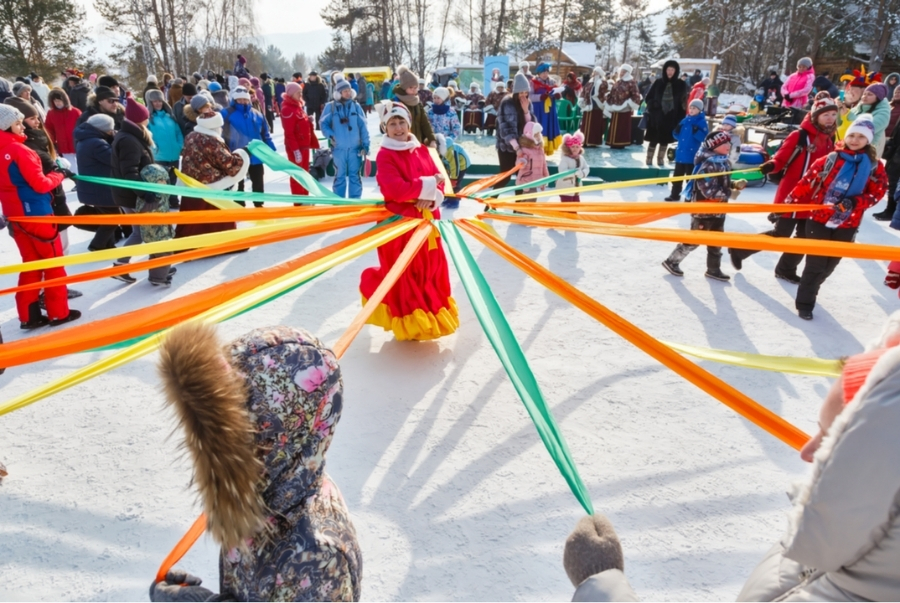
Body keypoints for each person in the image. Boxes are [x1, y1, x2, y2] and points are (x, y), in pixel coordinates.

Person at [151, 322, 362, 602]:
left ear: (279, 434)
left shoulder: (316, 555)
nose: (213, 448)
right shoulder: (267, 489)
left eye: (228, 431)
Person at [361, 102, 459, 341]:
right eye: (392, 124)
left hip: (427, 225)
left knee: (430, 272)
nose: (398, 128)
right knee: (407, 275)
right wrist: (427, 187)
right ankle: (411, 323)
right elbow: (394, 189)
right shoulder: (385, 155)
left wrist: (433, 196)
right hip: (400, 226)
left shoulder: (422, 150)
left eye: (401, 122)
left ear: (409, 123)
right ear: (385, 127)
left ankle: (429, 318)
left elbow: (441, 183)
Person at [785, 114, 887, 319]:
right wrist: (788, 203)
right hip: (818, 218)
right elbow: (807, 181)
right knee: (815, 264)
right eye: (852, 135)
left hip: (848, 222)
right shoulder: (831, 159)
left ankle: (811, 288)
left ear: (869, 140)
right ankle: (805, 303)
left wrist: (856, 202)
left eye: (861, 136)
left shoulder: (875, 166)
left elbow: (878, 192)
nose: (855, 140)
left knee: (830, 264)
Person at [729, 93, 838, 278]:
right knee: (781, 233)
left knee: (804, 238)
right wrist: (771, 165)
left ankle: (785, 270)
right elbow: (781, 157)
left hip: (814, 197)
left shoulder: (830, 139)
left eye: (833, 115)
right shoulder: (800, 135)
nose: (830, 119)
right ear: (815, 115)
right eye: (825, 115)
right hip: (792, 194)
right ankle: (740, 249)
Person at [0, 104, 81, 328]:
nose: (21, 127)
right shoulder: (21, 150)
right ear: (6, 127)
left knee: (31, 264)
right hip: (38, 215)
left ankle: (29, 315)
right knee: (53, 264)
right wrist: (59, 174)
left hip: (15, 218)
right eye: (17, 123)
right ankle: (59, 312)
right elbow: (40, 184)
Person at [661, 131, 747, 281]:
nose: (729, 145)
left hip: (719, 209)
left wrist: (734, 184)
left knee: (716, 241)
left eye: (729, 142)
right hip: (703, 210)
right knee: (694, 240)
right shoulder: (707, 164)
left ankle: (713, 269)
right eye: (725, 143)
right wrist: (729, 193)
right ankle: (672, 261)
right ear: (715, 146)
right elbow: (707, 190)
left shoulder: (724, 162)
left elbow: (722, 182)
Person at [176, 102, 249, 239]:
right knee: (218, 221)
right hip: (210, 186)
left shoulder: (191, 136)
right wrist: (242, 154)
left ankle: (189, 246)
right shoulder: (212, 140)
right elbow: (227, 163)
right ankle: (223, 243)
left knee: (193, 222)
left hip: (191, 185)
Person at [222, 86, 277, 207]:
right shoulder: (226, 113)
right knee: (238, 182)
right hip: (236, 154)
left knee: (258, 180)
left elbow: (265, 134)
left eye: (245, 99)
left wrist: (272, 150)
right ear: (234, 100)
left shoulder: (257, 114)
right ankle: (239, 204)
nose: (243, 101)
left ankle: (259, 204)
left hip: (255, 154)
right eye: (239, 99)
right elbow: (221, 134)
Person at [74, 113, 121, 251]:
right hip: (100, 189)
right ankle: (97, 245)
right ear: (104, 129)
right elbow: (113, 159)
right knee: (113, 218)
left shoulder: (85, 139)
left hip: (94, 188)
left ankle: (108, 244)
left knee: (108, 217)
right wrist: (115, 140)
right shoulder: (96, 143)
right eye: (111, 130)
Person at [321, 78, 369, 199]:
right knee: (339, 176)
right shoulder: (330, 107)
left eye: (349, 90)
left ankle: (355, 202)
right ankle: (339, 202)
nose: (348, 93)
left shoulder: (356, 106)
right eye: (345, 91)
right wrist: (331, 135)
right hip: (338, 149)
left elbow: (363, 126)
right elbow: (323, 124)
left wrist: (366, 144)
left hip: (355, 149)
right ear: (338, 93)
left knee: (355, 176)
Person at [495, 73, 537, 190]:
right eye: (521, 92)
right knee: (505, 177)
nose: (523, 95)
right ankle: (490, 203)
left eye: (526, 92)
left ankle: (517, 207)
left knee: (521, 177)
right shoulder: (507, 102)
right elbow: (506, 128)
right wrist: (516, 147)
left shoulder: (527, 103)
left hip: (523, 145)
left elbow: (531, 125)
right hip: (508, 146)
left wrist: (525, 111)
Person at [644, 59, 688, 167]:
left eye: (672, 69)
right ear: (664, 70)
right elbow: (648, 97)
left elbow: (683, 102)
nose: (670, 72)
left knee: (664, 140)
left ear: (676, 71)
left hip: (671, 116)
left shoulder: (681, 84)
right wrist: (653, 105)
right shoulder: (658, 82)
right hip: (656, 116)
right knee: (653, 139)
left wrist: (680, 119)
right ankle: (649, 158)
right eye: (668, 69)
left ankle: (660, 159)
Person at [281, 82, 320, 198]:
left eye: (301, 92)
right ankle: (299, 202)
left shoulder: (297, 106)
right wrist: (295, 150)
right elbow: (289, 133)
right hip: (297, 148)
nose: (300, 94)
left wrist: (308, 120)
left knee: (305, 174)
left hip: (304, 146)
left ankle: (305, 199)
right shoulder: (287, 109)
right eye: (298, 93)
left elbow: (299, 123)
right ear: (291, 94)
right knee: (297, 176)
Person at [666, 98, 708, 201]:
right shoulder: (685, 120)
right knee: (677, 177)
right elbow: (677, 136)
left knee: (690, 178)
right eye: (690, 108)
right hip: (680, 154)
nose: (691, 110)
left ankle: (690, 197)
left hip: (691, 155)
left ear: (699, 110)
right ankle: (674, 195)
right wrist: (675, 131)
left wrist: (696, 132)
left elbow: (704, 138)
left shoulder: (701, 122)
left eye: (694, 108)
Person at [391, 66, 435, 146]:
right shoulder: (396, 102)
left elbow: (424, 122)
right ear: (404, 87)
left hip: (418, 143)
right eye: (411, 87)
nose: (414, 90)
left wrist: (431, 138)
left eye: (415, 87)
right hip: (401, 145)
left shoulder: (417, 102)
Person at [844, 82, 891, 155]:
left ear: (878, 97)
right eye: (864, 94)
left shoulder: (883, 113)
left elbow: (864, 130)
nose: (865, 96)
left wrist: (846, 115)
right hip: (850, 147)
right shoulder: (859, 108)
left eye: (870, 94)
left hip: (867, 153)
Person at [44, 88, 81, 173]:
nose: (58, 103)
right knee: (72, 168)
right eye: (55, 101)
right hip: (63, 145)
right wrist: (51, 142)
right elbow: (49, 129)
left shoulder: (75, 112)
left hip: (77, 143)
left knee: (81, 165)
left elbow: (82, 126)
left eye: (59, 100)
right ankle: (77, 183)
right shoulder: (51, 113)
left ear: (65, 100)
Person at [529, 62, 563, 155]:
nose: (545, 74)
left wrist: (557, 95)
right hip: (538, 110)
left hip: (550, 110)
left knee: (549, 127)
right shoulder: (533, 82)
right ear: (538, 73)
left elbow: (558, 92)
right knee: (540, 127)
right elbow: (530, 96)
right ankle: (537, 148)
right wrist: (541, 96)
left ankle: (547, 148)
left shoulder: (552, 82)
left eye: (546, 72)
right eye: (543, 72)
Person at [515, 121, 549, 202]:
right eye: (535, 135)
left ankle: (520, 214)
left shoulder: (540, 149)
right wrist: (522, 162)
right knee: (531, 199)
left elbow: (544, 165)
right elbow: (519, 163)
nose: (538, 137)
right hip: (527, 179)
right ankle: (526, 214)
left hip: (535, 179)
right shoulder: (525, 149)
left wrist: (546, 178)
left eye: (539, 134)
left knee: (526, 201)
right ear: (529, 135)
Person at [435, 133, 470, 204]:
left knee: (456, 183)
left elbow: (455, 165)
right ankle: (448, 197)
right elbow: (443, 162)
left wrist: (454, 178)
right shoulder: (442, 151)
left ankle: (455, 200)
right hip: (451, 166)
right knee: (447, 182)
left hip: (462, 165)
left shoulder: (450, 151)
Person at [580, 67, 608, 148]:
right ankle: (584, 141)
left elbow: (603, 92)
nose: (595, 74)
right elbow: (584, 91)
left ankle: (593, 141)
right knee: (585, 124)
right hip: (588, 105)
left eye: (597, 72)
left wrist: (598, 83)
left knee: (594, 124)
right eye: (594, 72)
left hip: (597, 106)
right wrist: (582, 99)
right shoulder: (590, 82)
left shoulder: (603, 82)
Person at [557, 131, 590, 202]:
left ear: (580, 147)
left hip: (576, 189)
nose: (575, 149)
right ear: (568, 147)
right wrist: (574, 172)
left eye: (577, 147)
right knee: (567, 208)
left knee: (575, 206)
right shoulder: (565, 158)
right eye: (572, 146)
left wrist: (582, 173)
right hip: (565, 189)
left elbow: (586, 168)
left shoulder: (581, 158)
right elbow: (562, 171)